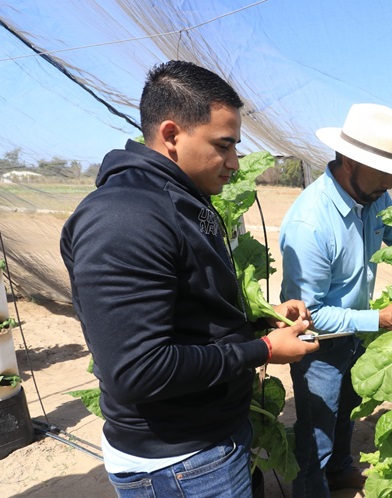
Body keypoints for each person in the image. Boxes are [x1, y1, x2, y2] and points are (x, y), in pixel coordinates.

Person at [60, 60, 319, 497]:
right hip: (179, 463)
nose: (234, 163)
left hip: (206, 446)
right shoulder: (125, 218)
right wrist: (264, 350)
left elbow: (190, 312)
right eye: (223, 146)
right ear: (171, 135)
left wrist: (260, 320)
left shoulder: (178, 200)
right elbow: (137, 370)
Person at [279, 103, 392, 497]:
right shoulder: (311, 223)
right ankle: (312, 488)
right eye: (382, 169)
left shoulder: (374, 198)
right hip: (319, 345)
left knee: (347, 412)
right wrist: (379, 319)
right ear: (349, 160)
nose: (389, 181)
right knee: (316, 434)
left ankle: (339, 471)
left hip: (354, 334)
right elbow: (309, 316)